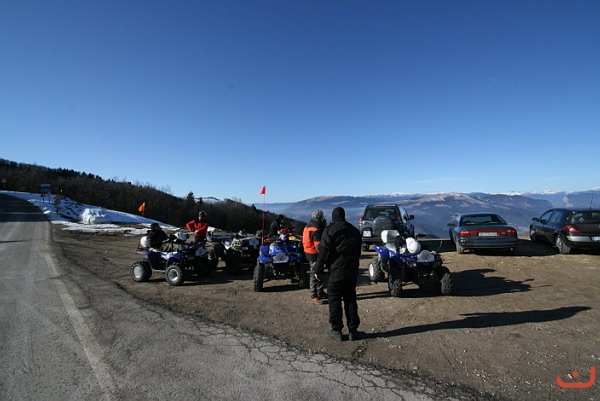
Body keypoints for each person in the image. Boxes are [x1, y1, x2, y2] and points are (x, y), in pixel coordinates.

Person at [315, 207, 362, 341]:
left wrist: (318, 270)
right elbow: (358, 251)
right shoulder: (354, 230)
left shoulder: (329, 230)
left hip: (336, 269)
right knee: (350, 298)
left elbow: (323, 252)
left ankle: (336, 330)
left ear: (333, 216)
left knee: (334, 299)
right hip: (352, 268)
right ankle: (353, 330)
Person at [302, 209, 327, 305]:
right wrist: (323, 256)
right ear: (320, 217)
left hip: (308, 251)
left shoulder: (308, 225)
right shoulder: (316, 228)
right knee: (315, 274)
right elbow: (318, 245)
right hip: (314, 253)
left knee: (318, 272)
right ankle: (313, 296)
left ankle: (320, 292)